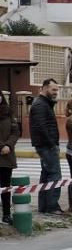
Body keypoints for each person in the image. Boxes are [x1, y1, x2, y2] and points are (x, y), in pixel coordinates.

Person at [29, 78, 66, 215]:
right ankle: (52, 207)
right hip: (46, 145)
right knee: (55, 175)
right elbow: (41, 127)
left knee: (46, 175)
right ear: (44, 88)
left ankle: (44, 207)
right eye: (53, 89)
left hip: (45, 144)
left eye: (57, 90)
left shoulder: (45, 104)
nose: (56, 92)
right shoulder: (40, 105)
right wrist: (51, 143)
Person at [0, 93, 20, 225]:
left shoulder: (8, 113)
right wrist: (1, 146)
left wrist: (8, 145)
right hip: (2, 149)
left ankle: (6, 214)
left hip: (6, 156)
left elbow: (15, 131)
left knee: (6, 187)